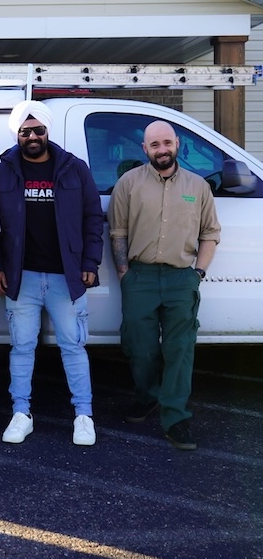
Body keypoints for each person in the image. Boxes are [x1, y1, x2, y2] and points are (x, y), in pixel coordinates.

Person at [0, 101, 103, 446]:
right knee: (22, 348)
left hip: (66, 278)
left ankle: (83, 416)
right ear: (17, 134)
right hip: (21, 278)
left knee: (73, 347)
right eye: (25, 131)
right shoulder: (1, 173)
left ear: (47, 131)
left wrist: (90, 263)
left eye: (38, 130)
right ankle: (21, 414)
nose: (33, 136)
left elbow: (93, 219)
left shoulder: (74, 169)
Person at [108, 120, 220, 451]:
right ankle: (147, 397)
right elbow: (117, 232)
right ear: (145, 149)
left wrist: (197, 274)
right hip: (139, 277)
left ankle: (176, 418)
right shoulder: (128, 183)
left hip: (180, 278)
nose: (162, 150)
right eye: (155, 145)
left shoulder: (198, 186)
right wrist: (125, 274)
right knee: (139, 347)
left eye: (167, 143)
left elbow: (210, 233)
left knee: (179, 349)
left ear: (177, 144)